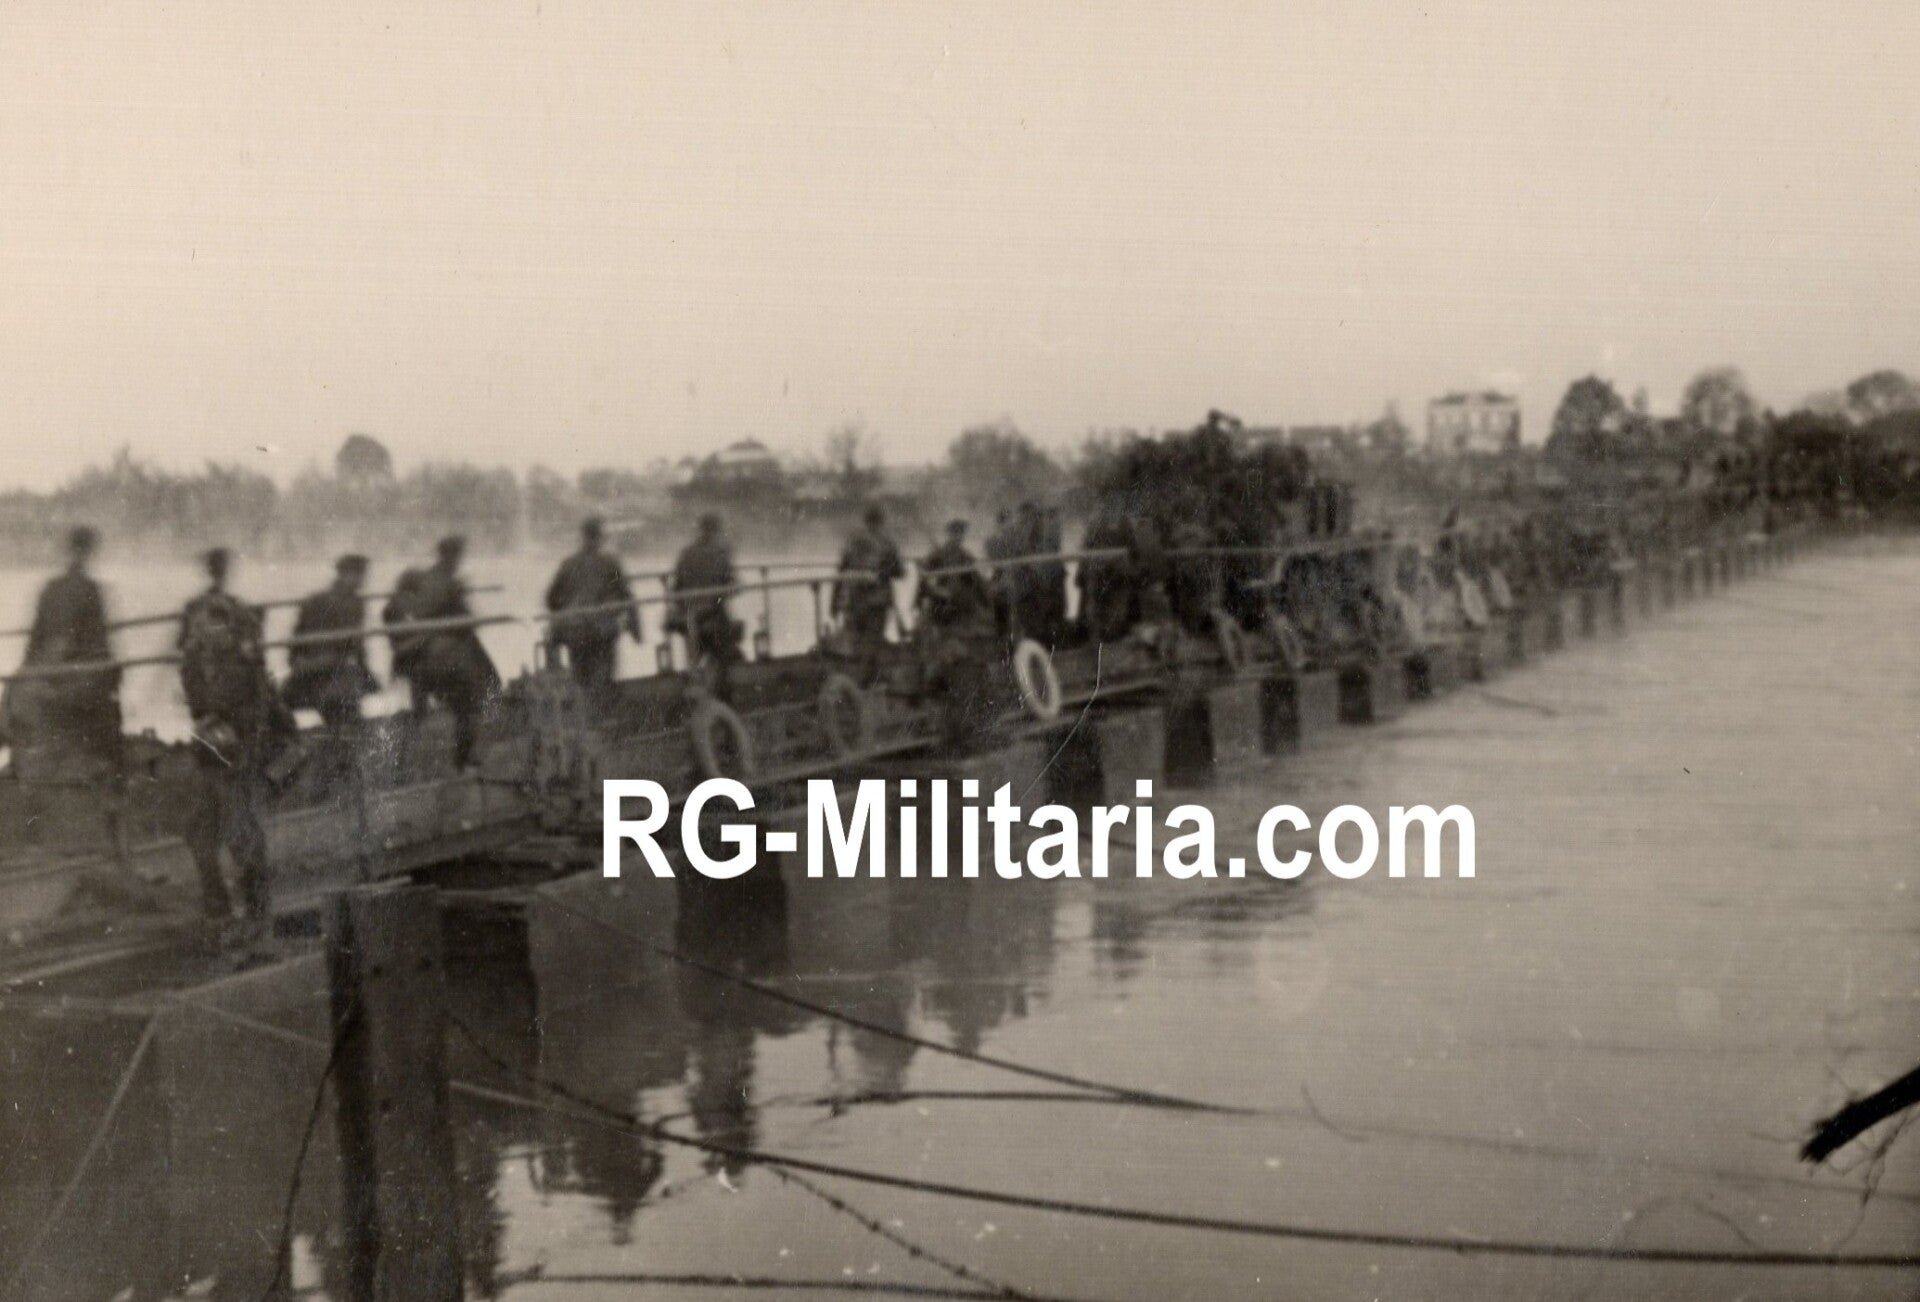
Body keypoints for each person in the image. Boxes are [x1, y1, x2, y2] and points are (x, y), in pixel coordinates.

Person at [178, 547, 276, 940]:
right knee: (199, 831)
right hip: (211, 753)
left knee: (239, 834)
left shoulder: (239, 666)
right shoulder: (197, 666)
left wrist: (230, 734)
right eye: (200, 627)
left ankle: (257, 912)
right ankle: (220, 907)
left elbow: (256, 709)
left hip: (236, 756)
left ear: (228, 630)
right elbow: (198, 707)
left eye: (213, 627)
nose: (204, 632)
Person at [5, 526, 122, 778]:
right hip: (73, 672)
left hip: (48, 668)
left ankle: (18, 758)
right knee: (108, 686)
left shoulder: (52, 588)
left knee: (17, 691)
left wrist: (29, 670)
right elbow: (98, 644)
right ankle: (107, 762)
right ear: (87, 553)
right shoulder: (89, 590)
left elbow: (35, 640)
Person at [385, 536, 500, 771]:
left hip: (425, 657)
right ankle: (463, 761)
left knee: (458, 702)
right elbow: (464, 620)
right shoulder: (445, 582)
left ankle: (448, 756)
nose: (458, 561)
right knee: (480, 693)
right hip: (443, 657)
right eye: (457, 556)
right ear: (452, 556)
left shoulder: (431, 579)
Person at [284, 554, 379, 732]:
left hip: (307, 670)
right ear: (346, 574)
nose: (363, 580)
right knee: (347, 712)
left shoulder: (316, 599)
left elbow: (295, 645)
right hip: (329, 673)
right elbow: (354, 646)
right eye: (360, 575)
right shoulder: (353, 603)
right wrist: (368, 674)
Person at [545, 517, 640, 695]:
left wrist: (564, 614)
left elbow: (551, 599)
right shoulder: (610, 563)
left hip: (574, 632)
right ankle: (601, 713)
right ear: (600, 538)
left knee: (580, 678)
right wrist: (636, 631)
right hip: (602, 631)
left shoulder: (569, 564)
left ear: (582, 537)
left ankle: (585, 712)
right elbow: (627, 596)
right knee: (603, 677)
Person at [667, 513, 743, 675]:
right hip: (713, 616)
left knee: (693, 658)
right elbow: (734, 586)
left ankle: (695, 678)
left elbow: (675, 588)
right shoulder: (720, 553)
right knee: (726, 643)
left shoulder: (686, 553)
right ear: (716, 531)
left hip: (688, 617)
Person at [833, 506, 903, 661]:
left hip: (856, 599)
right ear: (882, 521)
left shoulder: (852, 541)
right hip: (877, 601)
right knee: (872, 642)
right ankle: (869, 678)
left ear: (865, 521)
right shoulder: (887, 543)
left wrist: (834, 603)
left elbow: (841, 572)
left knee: (858, 640)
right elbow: (899, 571)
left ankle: (861, 676)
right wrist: (883, 573)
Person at [917, 519, 990, 631]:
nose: (960, 537)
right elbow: (924, 571)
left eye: (961, 533)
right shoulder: (940, 553)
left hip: (960, 593)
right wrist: (936, 589)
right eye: (956, 533)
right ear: (950, 535)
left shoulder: (964, 554)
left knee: (982, 593)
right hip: (946, 594)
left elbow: (975, 576)